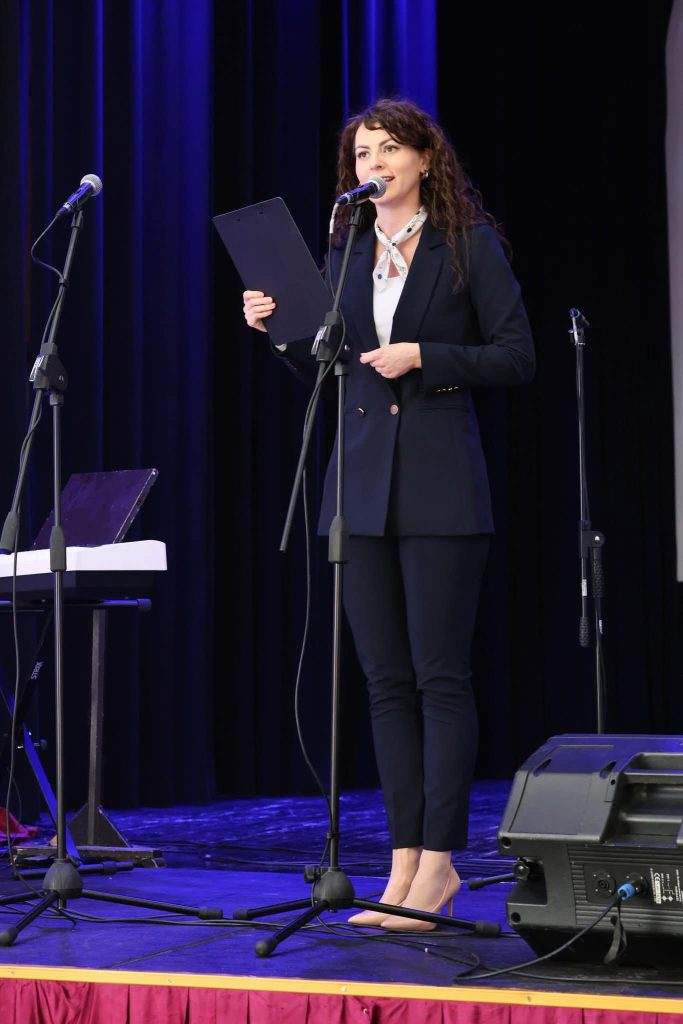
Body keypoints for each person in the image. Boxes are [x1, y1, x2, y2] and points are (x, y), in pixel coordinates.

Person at [243, 98, 534, 931]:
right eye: (362, 152)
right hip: (360, 486)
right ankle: (401, 862)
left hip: (441, 484)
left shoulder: (466, 245)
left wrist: (426, 357)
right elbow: (332, 371)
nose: (372, 163)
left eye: (388, 149)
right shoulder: (344, 250)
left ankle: (439, 865)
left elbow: (516, 356)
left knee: (438, 675)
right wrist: (277, 333)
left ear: (424, 160)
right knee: (383, 682)